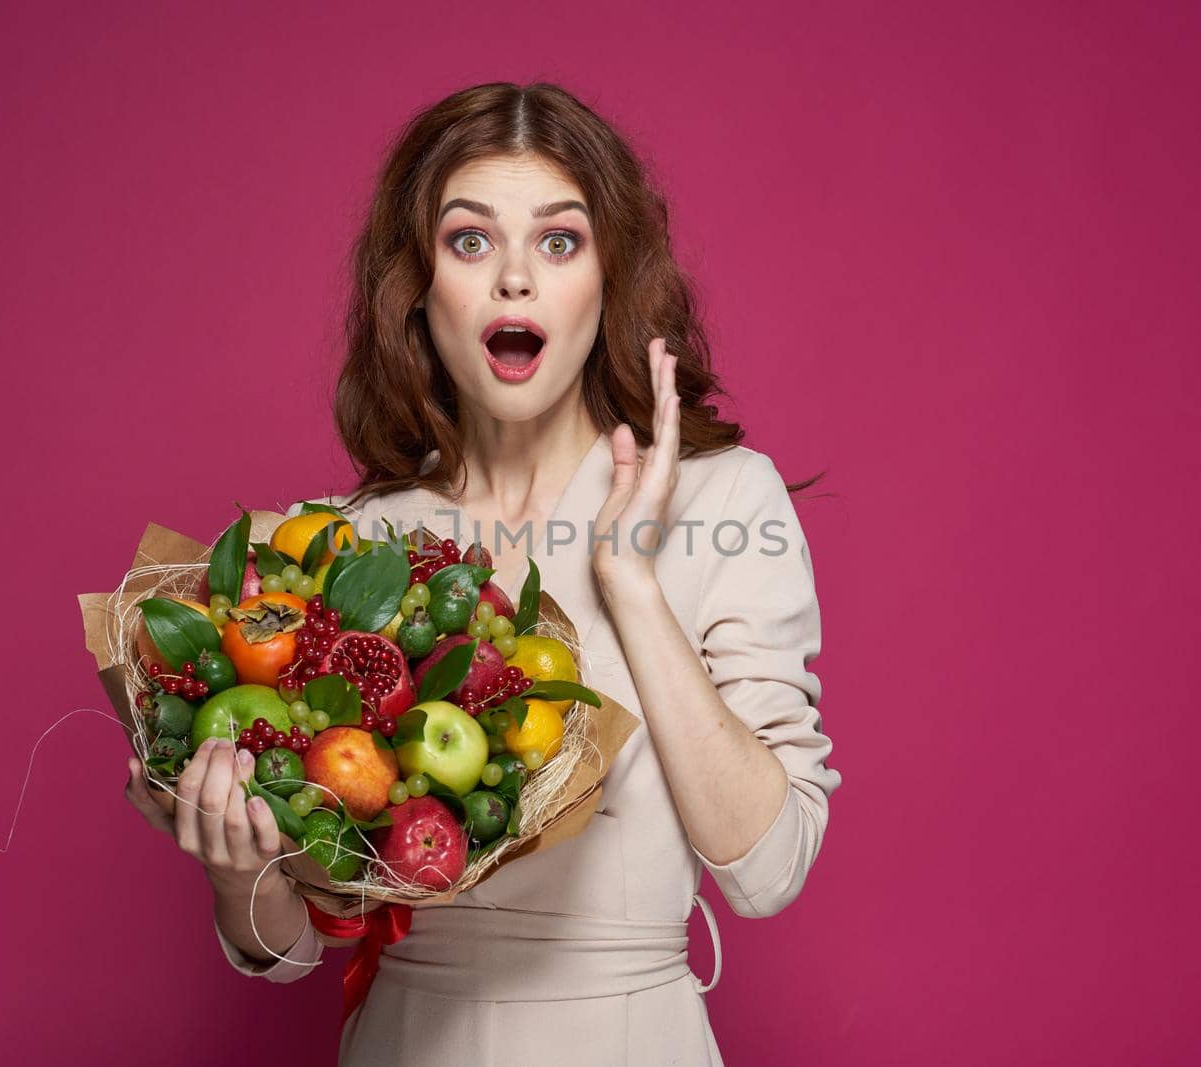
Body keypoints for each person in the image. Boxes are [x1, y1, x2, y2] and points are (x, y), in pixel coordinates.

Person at [125, 81, 842, 1066]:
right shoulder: (349, 545)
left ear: (608, 274)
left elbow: (768, 868)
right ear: (418, 285)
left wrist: (630, 584)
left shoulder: (720, 500)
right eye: (470, 241)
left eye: (558, 240)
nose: (514, 279)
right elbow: (294, 938)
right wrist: (236, 869)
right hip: (408, 1038)